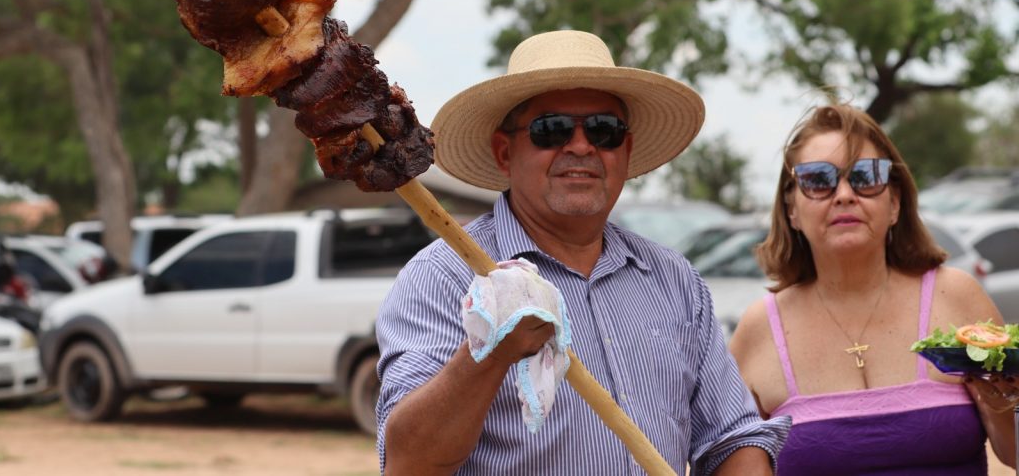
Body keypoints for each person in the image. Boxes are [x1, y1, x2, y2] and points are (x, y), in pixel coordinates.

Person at [375, 30, 789, 475]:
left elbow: (731, 438)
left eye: (603, 130)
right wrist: (490, 354)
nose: (580, 145)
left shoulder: (674, 280)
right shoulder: (442, 278)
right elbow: (408, 463)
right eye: (550, 129)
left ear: (625, 152)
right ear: (503, 152)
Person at [729, 102, 1019, 474]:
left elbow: (1012, 452)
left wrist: (1001, 405)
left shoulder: (957, 296)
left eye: (865, 177)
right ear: (791, 210)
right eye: (818, 180)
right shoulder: (759, 330)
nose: (845, 194)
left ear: (895, 202)